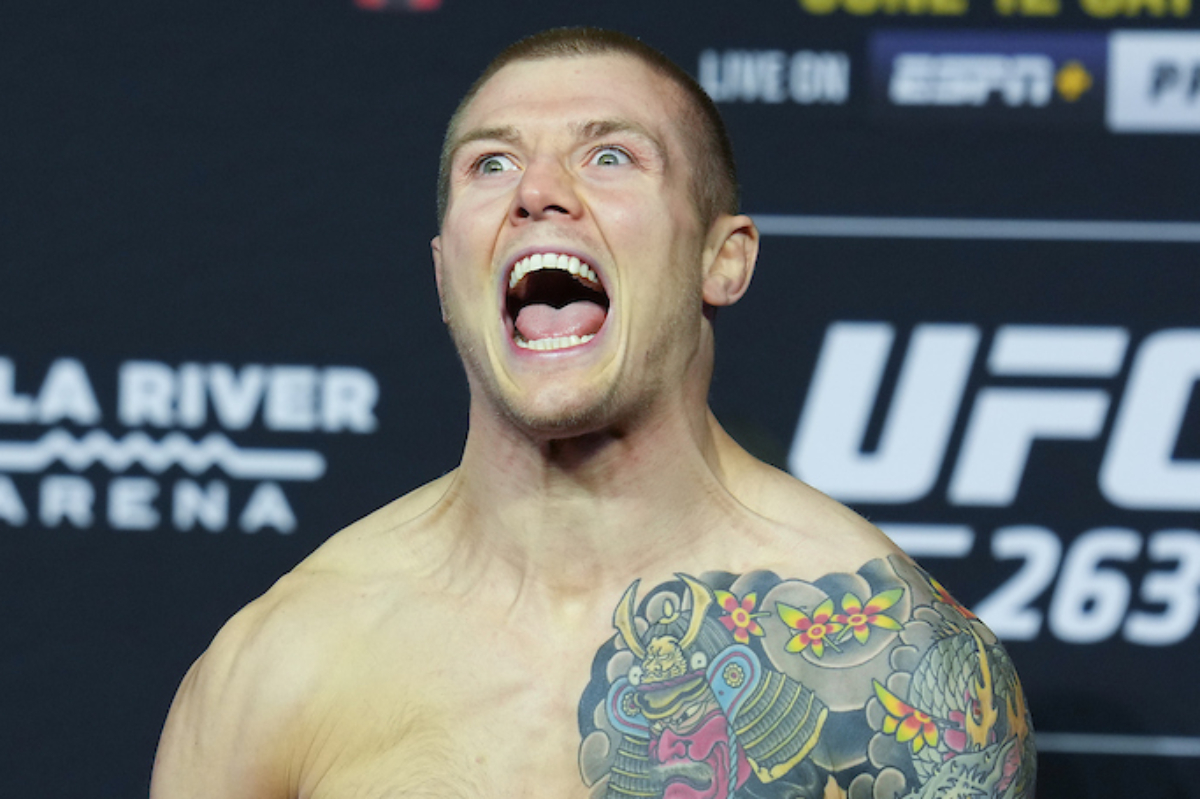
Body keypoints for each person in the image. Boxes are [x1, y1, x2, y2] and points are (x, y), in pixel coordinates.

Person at [151, 27, 1035, 799]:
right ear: (444, 276)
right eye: (491, 164)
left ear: (722, 260)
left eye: (610, 156)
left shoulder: (899, 668)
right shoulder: (279, 662)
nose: (538, 190)